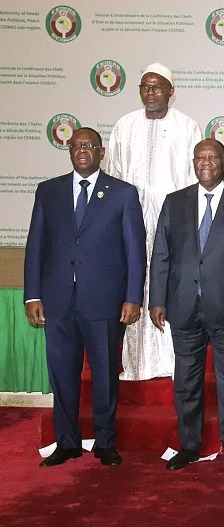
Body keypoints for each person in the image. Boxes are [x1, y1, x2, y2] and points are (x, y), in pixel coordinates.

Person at [24, 127, 147, 467]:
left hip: (104, 302)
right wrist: (32, 295)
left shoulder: (123, 193)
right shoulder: (48, 191)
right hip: (58, 301)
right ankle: (67, 442)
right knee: (62, 375)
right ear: (69, 150)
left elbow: (135, 251)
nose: (82, 150)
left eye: (89, 145)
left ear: (101, 152)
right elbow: (35, 246)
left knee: (105, 375)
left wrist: (133, 297)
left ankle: (105, 442)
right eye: (76, 145)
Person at [148, 139, 224, 471]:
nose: (206, 162)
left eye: (213, 157)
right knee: (186, 382)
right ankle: (189, 446)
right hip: (183, 306)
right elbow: (161, 255)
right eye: (200, 157)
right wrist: (157, 299)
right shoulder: (175, 202)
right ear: (193, 163)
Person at [106, 62, 203, 381]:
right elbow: (114, 175)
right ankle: (138, 364)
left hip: (173, 222)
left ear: (170, 91)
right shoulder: (125, 126)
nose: (150, 93)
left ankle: (172, 362)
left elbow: (195, 180)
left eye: (157, 87)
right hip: (131, 221)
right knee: (135, 284)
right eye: (145, 87)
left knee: (170, 284)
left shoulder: (186, 126)